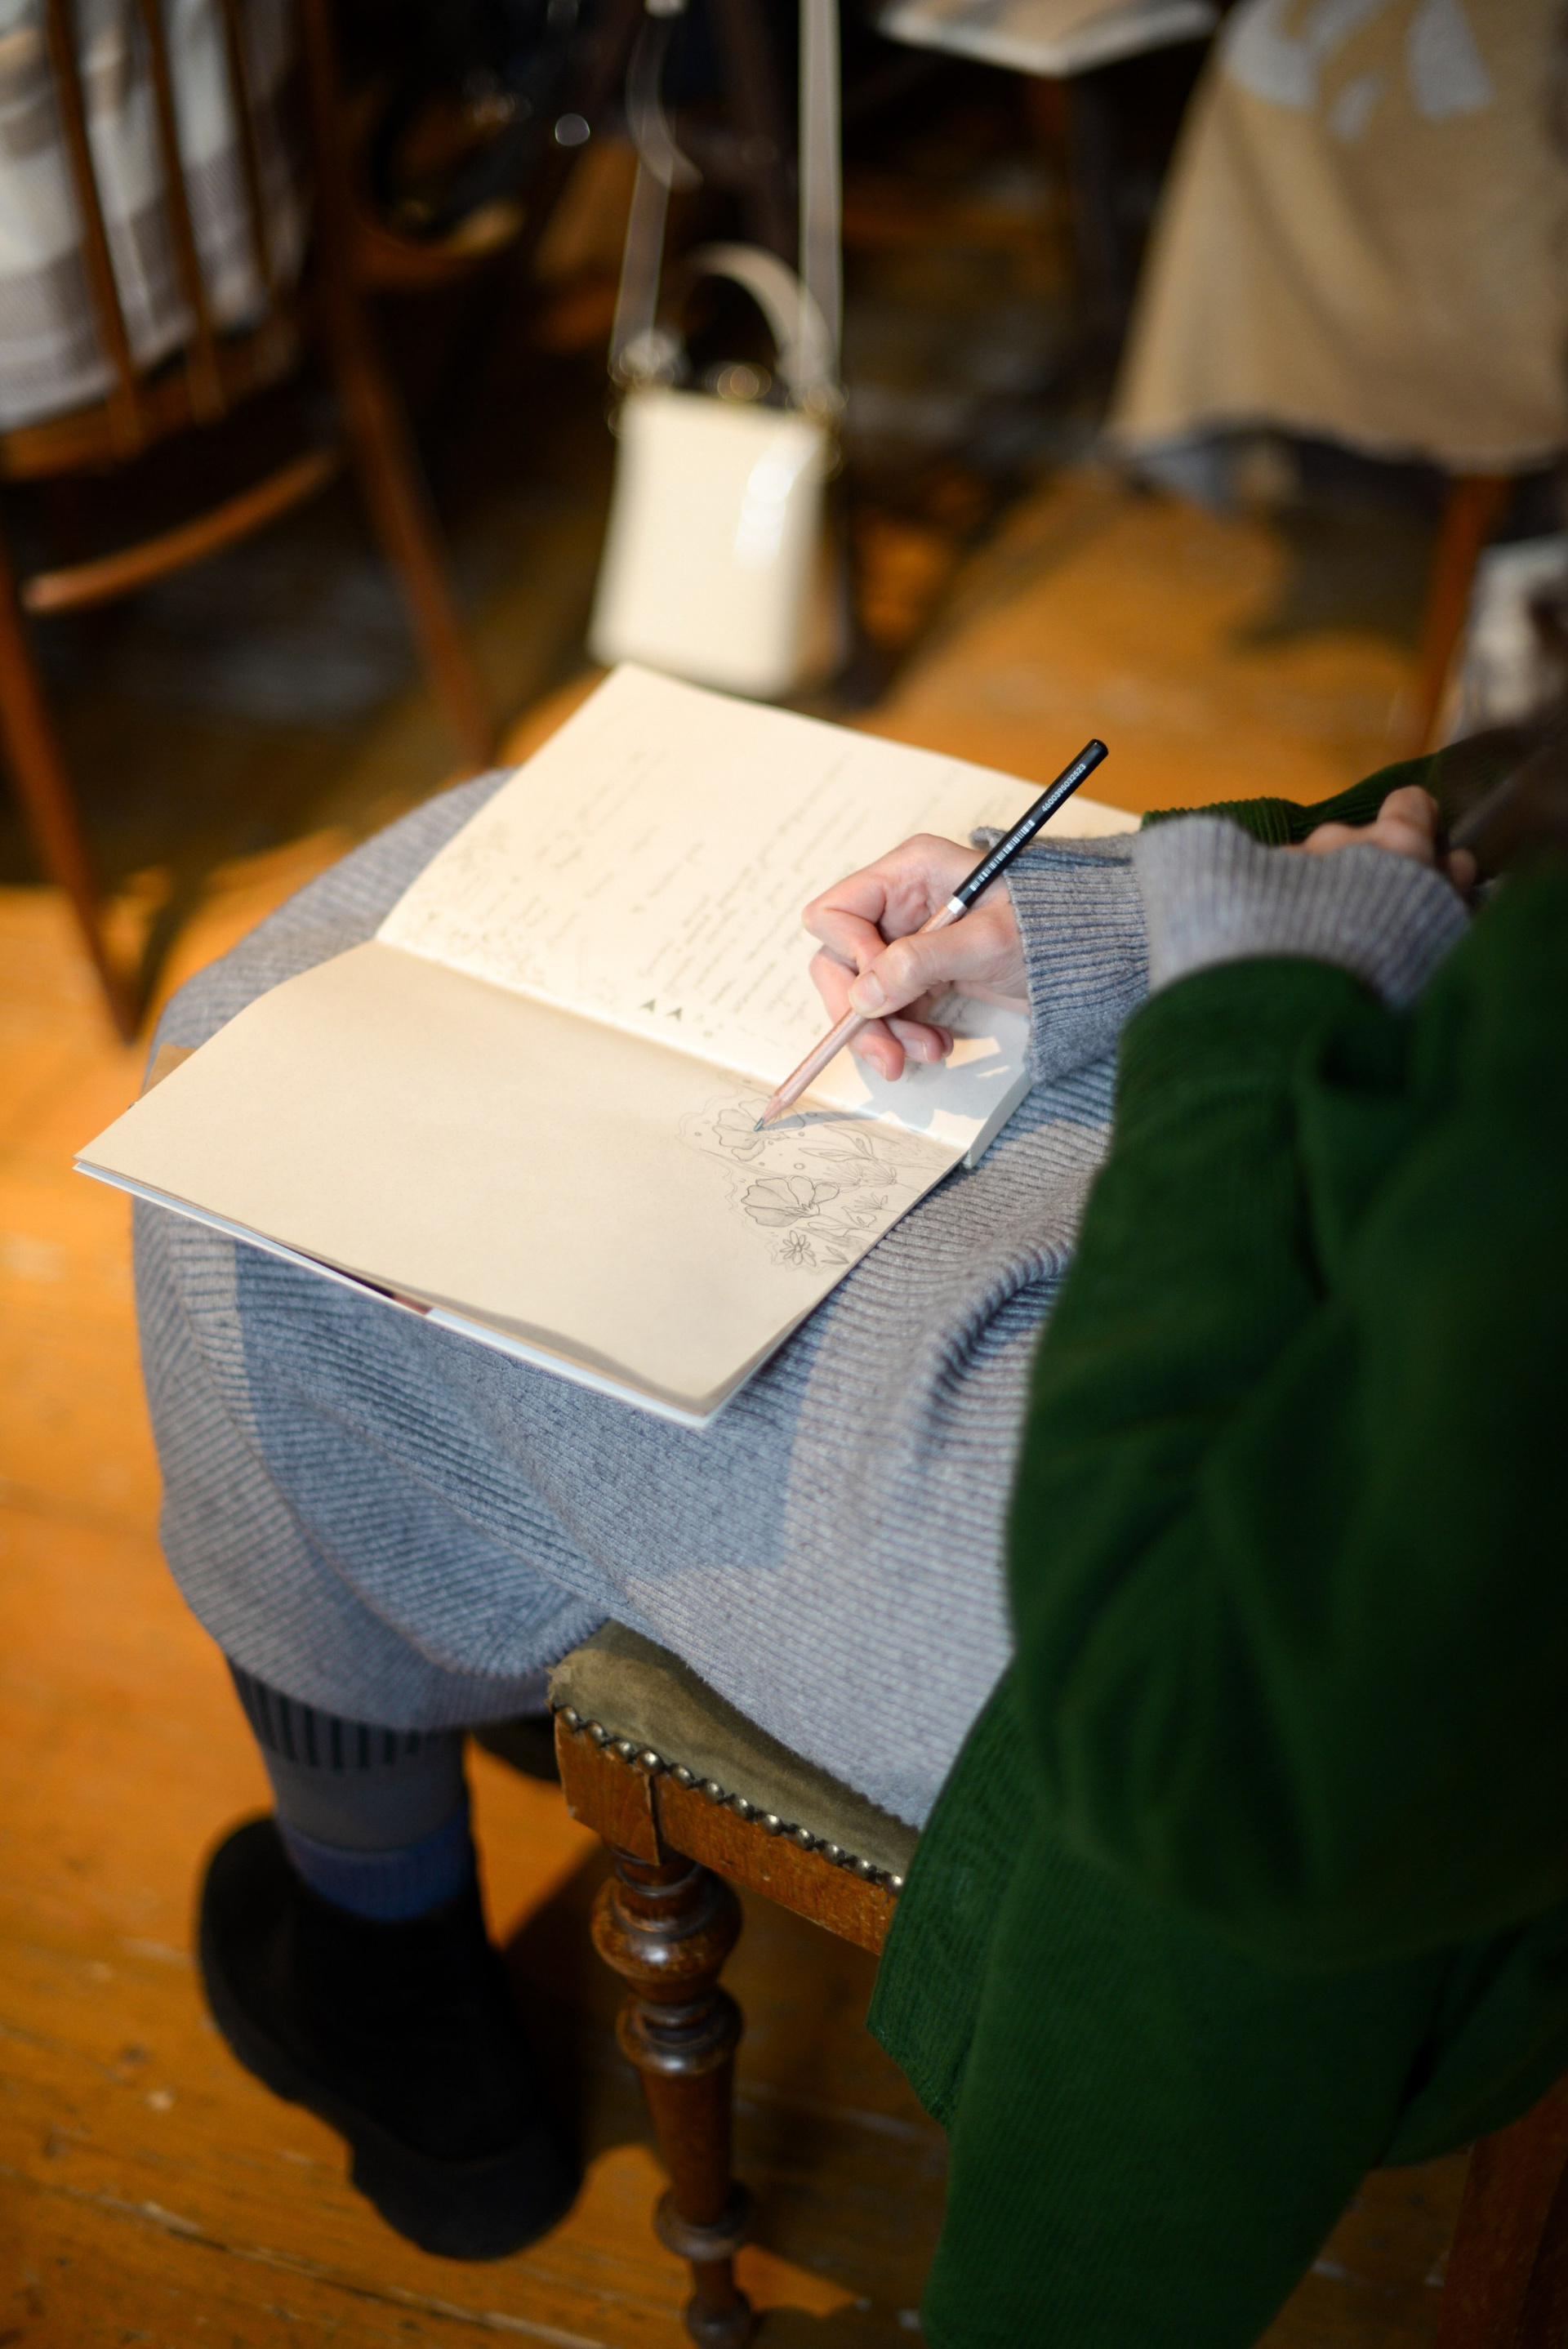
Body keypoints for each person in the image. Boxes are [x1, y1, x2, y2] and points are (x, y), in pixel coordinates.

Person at [136, 716, 1568, 2340]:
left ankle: (391, 1989)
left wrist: (1258, 1004)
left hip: (1248, 1519)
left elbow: (1221, 1713)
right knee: (467, 853)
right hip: (1367, 1175)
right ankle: (514, 1639)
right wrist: (1114, 920)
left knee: (247, 1093)